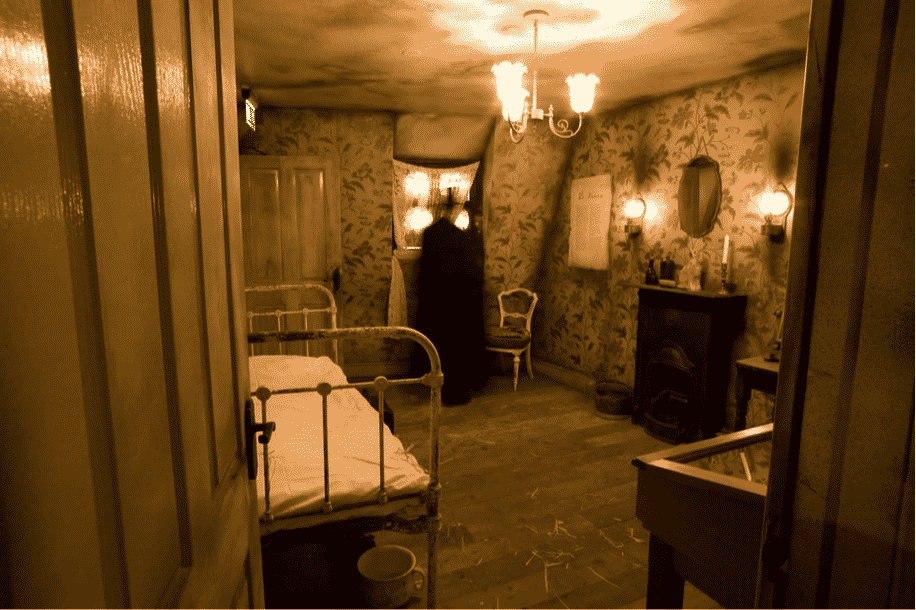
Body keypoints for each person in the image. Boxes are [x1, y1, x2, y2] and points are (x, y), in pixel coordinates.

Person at [416, 188, 486, 405]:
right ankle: (455, 388)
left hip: (436, 302)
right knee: (455, 348)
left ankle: (438, 382)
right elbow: (471, 272)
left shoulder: (430, 234)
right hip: (457, 301)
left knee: (441, 345)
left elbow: (426, 272)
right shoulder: (459, 236)